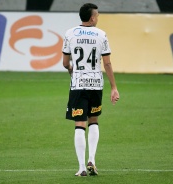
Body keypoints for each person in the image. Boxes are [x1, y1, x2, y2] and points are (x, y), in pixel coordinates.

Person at [62, 3, 120, 177]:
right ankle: (92, 161)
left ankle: (81, 168)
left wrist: (72, 70)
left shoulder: (70, 33)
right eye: (98, 15)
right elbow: (107, 63)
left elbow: (65, 63)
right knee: (93, 120)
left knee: (79, 123)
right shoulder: (101, 35)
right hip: (96, 84)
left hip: (78, 84)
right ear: (93, 17)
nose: (98, 18)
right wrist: (114, 87)